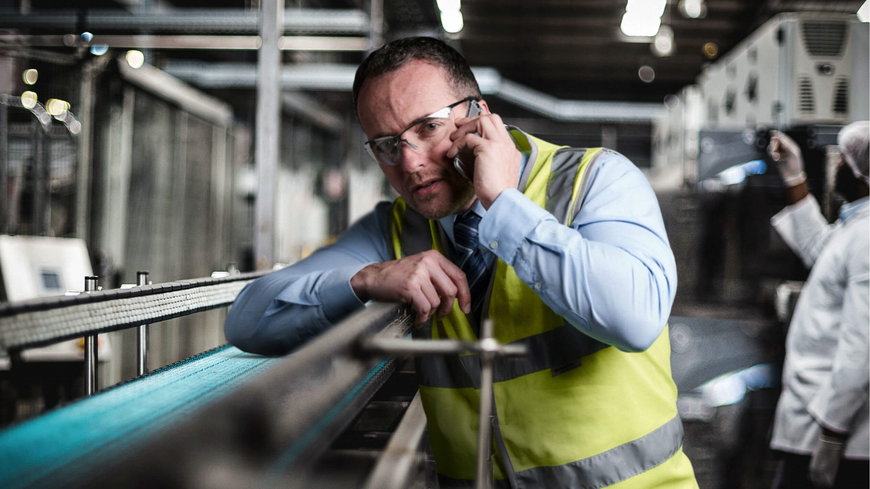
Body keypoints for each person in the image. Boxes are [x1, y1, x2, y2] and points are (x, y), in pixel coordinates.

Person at [225, 36, 697, 488]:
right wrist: (367, 279)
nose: (409, 163)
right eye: (387, 145)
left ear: (479, 116)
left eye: (427, 128)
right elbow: (249, 319)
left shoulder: (597, 181)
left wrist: (504, 204)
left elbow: (633, 320)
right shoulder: (395, 230)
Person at [766, 122, 869, 489]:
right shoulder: (856, 228)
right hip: (819, 426)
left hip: (836, 436)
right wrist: (794, 177)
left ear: (862, 174)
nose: (837, 163)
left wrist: (832, 436)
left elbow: (862, 350)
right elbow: (821, 251)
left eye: (844, 158)